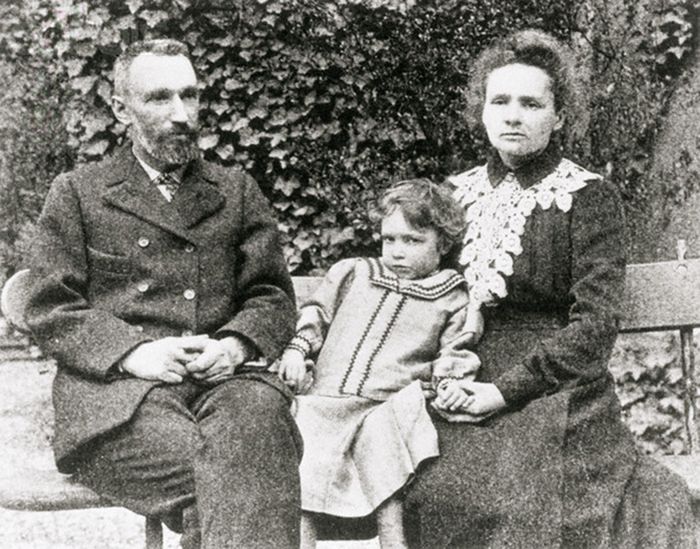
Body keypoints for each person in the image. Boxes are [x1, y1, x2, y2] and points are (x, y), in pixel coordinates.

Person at [402, 29, 696, 548]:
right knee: (434, 486)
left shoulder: (587, 197)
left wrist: (502, 392)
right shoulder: (453, 195)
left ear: (559, 116)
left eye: (532, 103)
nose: (513, 115)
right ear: (483, 112)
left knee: (514, 499)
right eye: (500, 101)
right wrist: (441, 363)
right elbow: (419, 293)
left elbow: (595, 324)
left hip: (554, 385)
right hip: (459, 374)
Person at [24, 39, 302, 549]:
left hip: (226, 383)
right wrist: (135, 352)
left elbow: (272, 295)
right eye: (159, 98)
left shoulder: (235, 190)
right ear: (120, 107)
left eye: (190, 96)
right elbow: (49, 305)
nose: (181, 115)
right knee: (241, 480)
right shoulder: (80, 192)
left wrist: (235, 346)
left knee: (256, 433)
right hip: (117, 401)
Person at [277, 179, 483, 548]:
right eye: (390, 239)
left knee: (384, 435)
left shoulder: (452, 297)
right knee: (307, 435)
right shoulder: (354, 273)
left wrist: (450, 381)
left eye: (412, 241)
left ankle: (393, 541)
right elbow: (316, 314)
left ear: (444, 244)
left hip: (391, 402)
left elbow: (457, 349)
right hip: (328, 398)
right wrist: (297, 350)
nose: (397, 252)